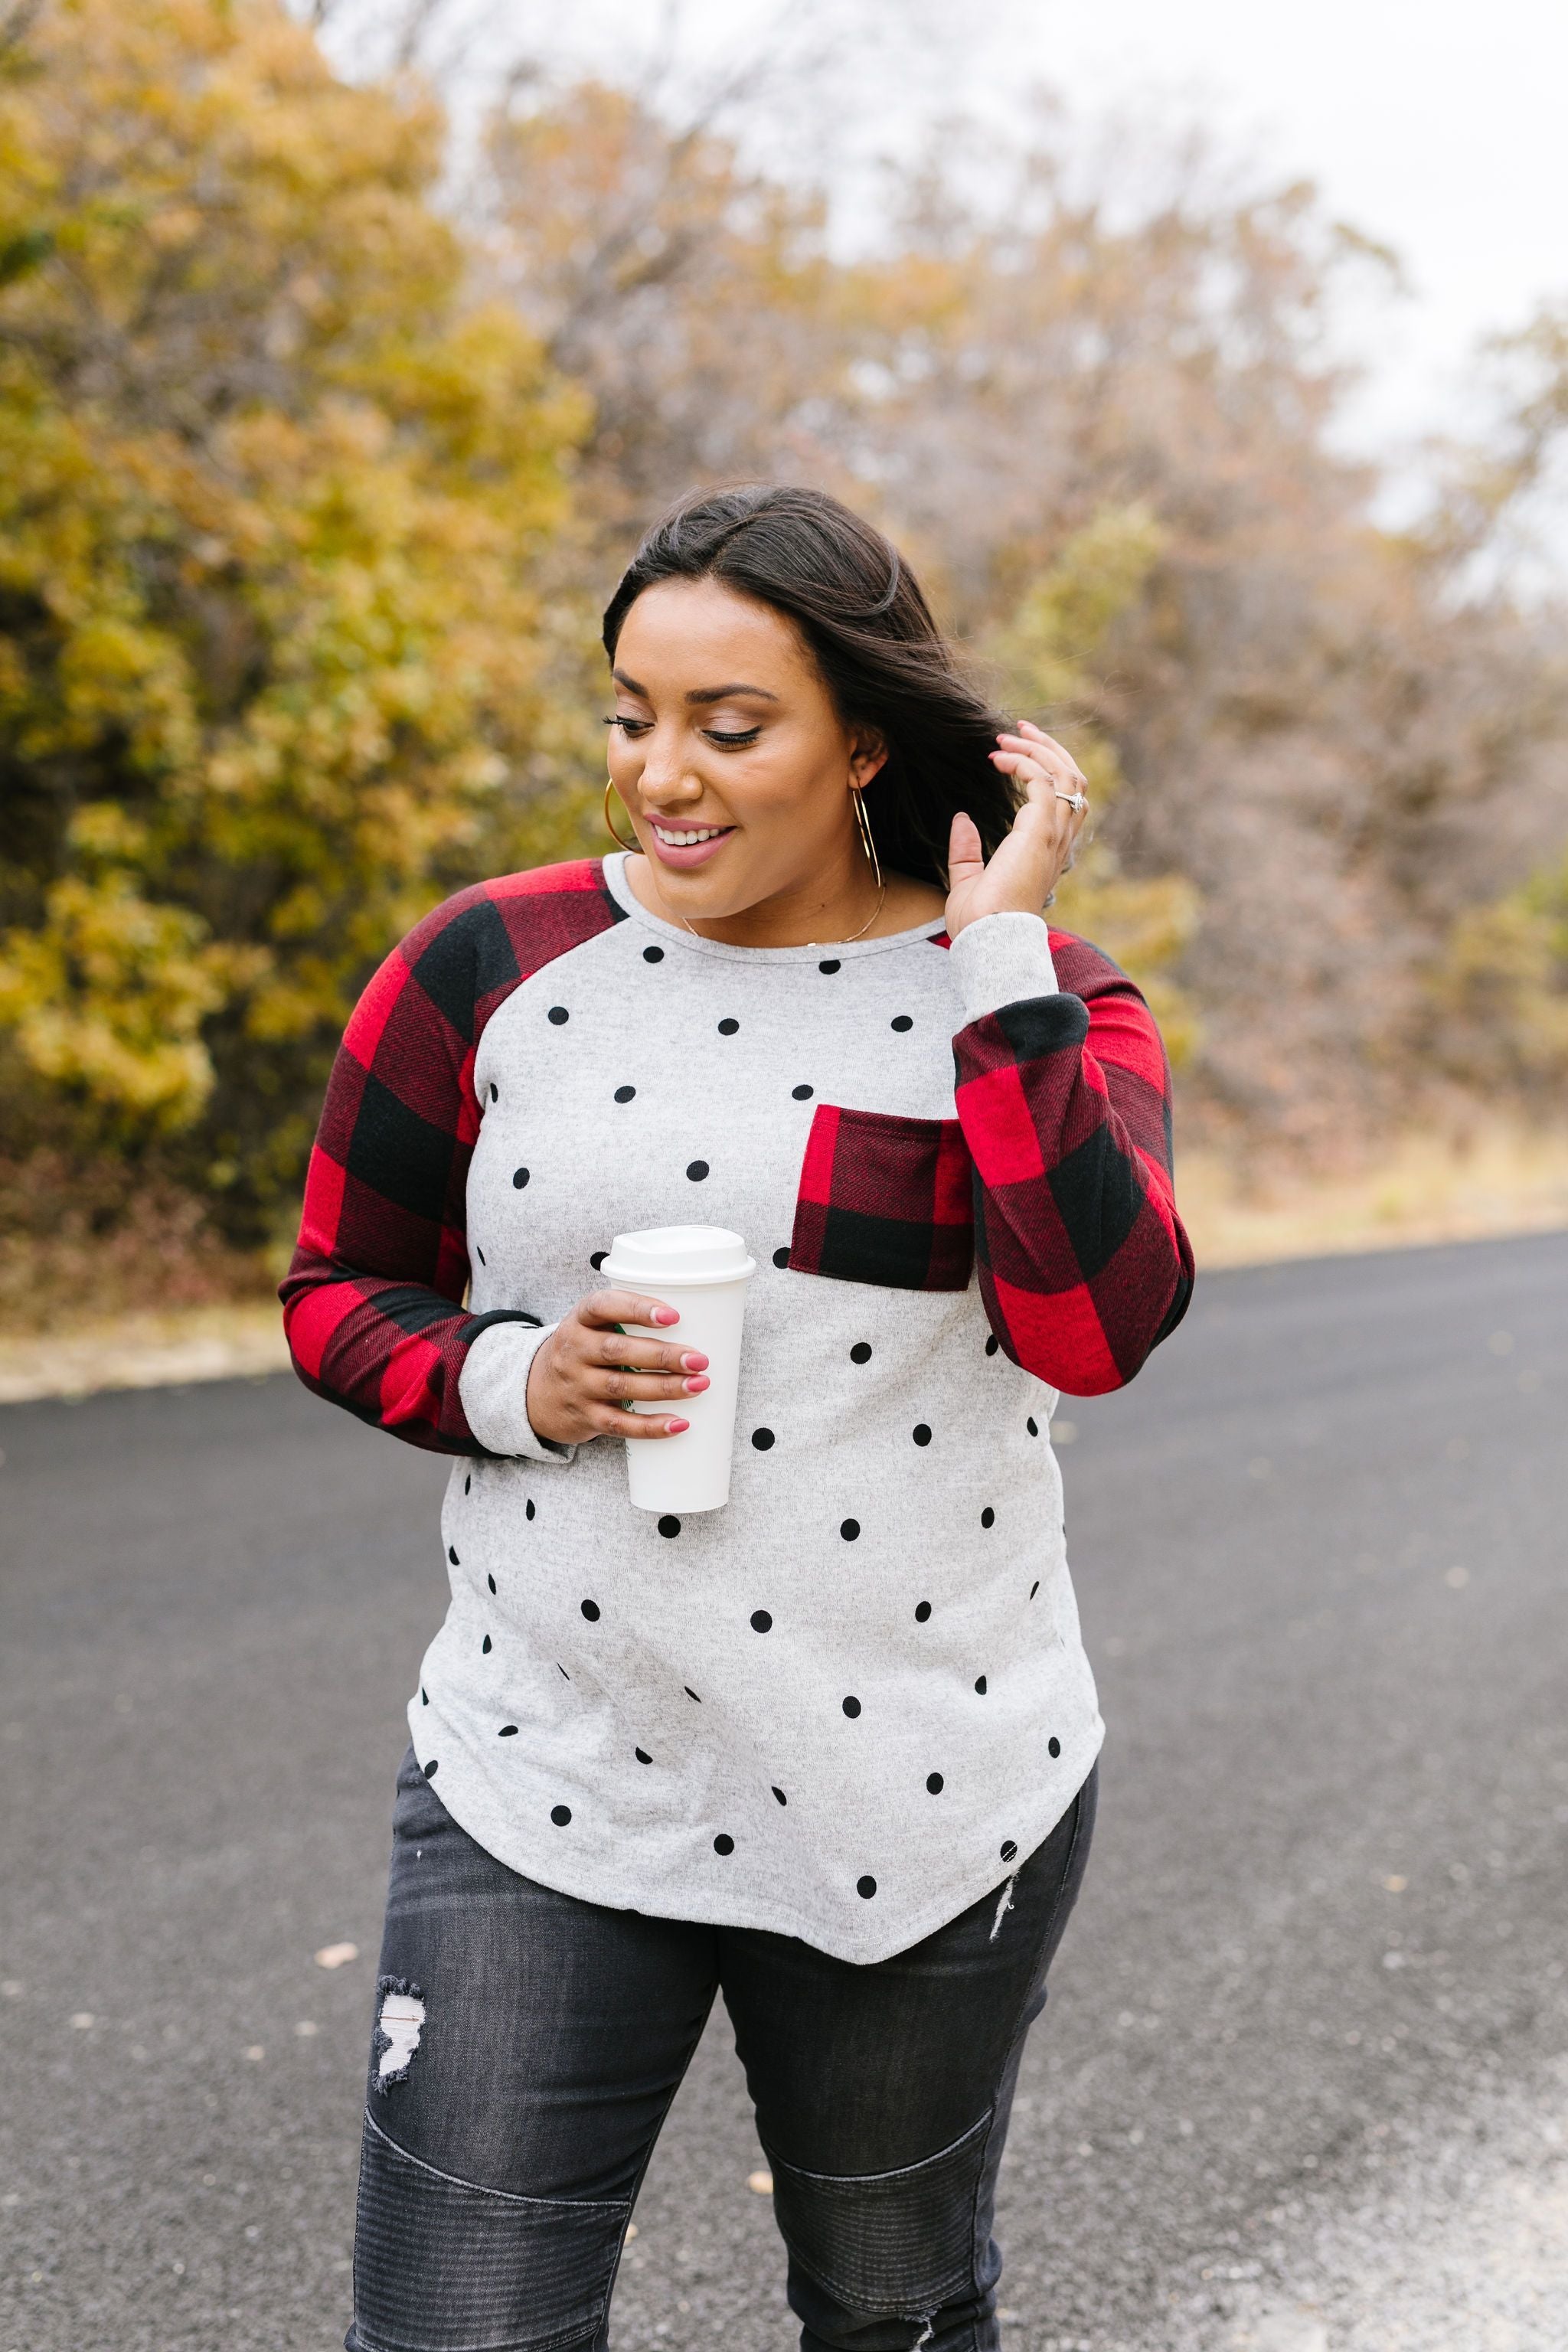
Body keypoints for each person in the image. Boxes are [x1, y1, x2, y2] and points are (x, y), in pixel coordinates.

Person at [283, 482, 1194, 2352]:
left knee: (894, 2312)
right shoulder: (488, 966)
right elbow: (334, 1289)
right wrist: (504, 1380)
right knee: (459, 2328)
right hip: (551, 1766)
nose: (662, 777)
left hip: (923, 1800)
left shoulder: (1051, 1003)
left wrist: (996, 963)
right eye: (631, 716)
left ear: (859, 740)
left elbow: (1096, 1327)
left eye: (729, 725)